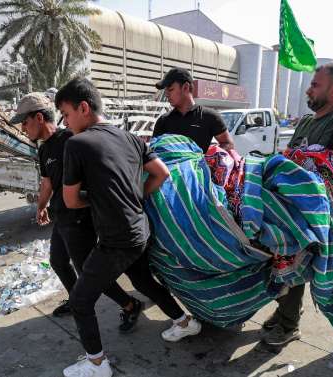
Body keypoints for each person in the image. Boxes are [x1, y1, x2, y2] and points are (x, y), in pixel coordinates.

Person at [56, 78, 201, 377]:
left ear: (84, 108)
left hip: (116, 239)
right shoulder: (131, 138)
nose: (65, 123)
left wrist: (99, 199)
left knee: (81, 300)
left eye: (66, 114)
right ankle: (185, 323)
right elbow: (160, 173)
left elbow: (70, 200)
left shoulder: (77, 144)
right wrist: (135, 195)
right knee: (145, 282)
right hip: (140, 229)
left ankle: (97, 364)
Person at [11, 92, 145, 331]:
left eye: (25, 121)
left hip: (81, 219)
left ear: (39, 118)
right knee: (58, 262)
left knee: (89, 273)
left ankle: (129, 304)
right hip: (61, 216)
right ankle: (77, 301)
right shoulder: (43, 150)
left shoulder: (71, 139)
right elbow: (47, 183)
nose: (23, 128)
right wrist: (41, 206)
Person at [261, 62, 333, 348]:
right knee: (279, 262)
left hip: (317, 210)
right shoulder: (305, 121)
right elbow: (290, 158)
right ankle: (285, 312)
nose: (309, 88)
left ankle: (290, 324)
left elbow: (327, 169)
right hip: (289, 205)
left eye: (316, 84)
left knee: (295, 264)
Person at [153, 67, 235, 153]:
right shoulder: (163, 121)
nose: (166, 94)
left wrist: (208, 158)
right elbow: (153, 153)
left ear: (185, 87)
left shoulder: (210, 117)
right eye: (165, 91)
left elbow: (228, 143)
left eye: (170, 89)